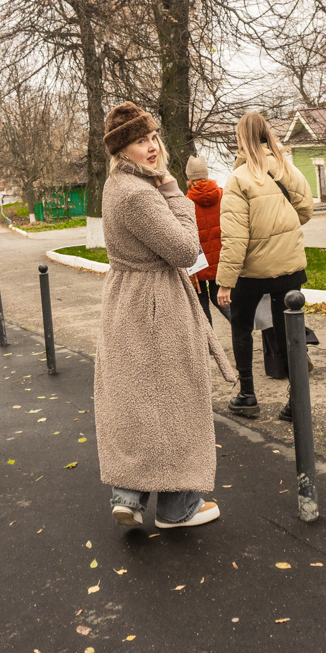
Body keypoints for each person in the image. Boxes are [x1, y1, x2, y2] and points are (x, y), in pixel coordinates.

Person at [95, 102, 234, 528]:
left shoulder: (118, 184)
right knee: (176, 397)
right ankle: (178, 508)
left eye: (153, 137)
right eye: (140, 141)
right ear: (122, 151)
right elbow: (185, 250)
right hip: (155, 301)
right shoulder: (139, 193)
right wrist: (174, 191)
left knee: (135, 397)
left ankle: (129, 496)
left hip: (129, 300)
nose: (152, 146)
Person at [217, 112, 314, 421]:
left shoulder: (239, 178)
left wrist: (225, 282)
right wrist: (280, 231)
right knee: (288, 330)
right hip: (289, 266)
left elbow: (235, 236)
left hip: (252, 271)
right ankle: (295, 399)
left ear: (241, 139)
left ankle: (247, 395)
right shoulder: (288, 168)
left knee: (242, 326)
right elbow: (306, 210)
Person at [185, 155, 229, 323]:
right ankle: (242, 328)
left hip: (198, 263)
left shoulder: (186, 202)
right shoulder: (223, 196)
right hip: (221, 260)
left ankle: (209, 346)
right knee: (222, 300)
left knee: (201, 304)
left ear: (189, 177)